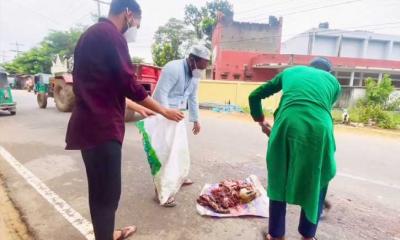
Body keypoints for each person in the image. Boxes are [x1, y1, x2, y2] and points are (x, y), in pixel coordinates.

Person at [65, 0, 184, 239]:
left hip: (86, 127)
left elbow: (103, 87)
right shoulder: (111, 36)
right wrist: (163, 110)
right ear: (128, 14)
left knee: (99, 193)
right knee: (108, 195)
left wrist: (138, 108)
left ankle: (108, 233)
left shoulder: (88, 36)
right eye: (137, 23)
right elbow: (130, 84)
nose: (135, 29)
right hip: (103, 129)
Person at [248, 57, 341, 240]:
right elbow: (316, 110)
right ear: (328, 72)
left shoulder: (291, 72)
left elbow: (254, 96)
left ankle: (276, 234)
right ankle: (308, 235)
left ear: (309, 67)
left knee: (279, 176)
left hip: (286, 124)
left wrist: (261, 120)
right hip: (320, 130)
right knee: (317, 178)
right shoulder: (334, 83)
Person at [151, 45, 210, 207]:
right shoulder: (173, 68)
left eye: (205, 66)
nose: (202, 70)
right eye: (201, 66)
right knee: (164, 154)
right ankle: (160, 191)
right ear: (192, 60)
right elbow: (160, 93)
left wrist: (196, 119)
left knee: (178, 150)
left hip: (177, 115)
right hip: (162, 114)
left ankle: (177, 178)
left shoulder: (195, 75)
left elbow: (193, 97)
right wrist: (165, 114)